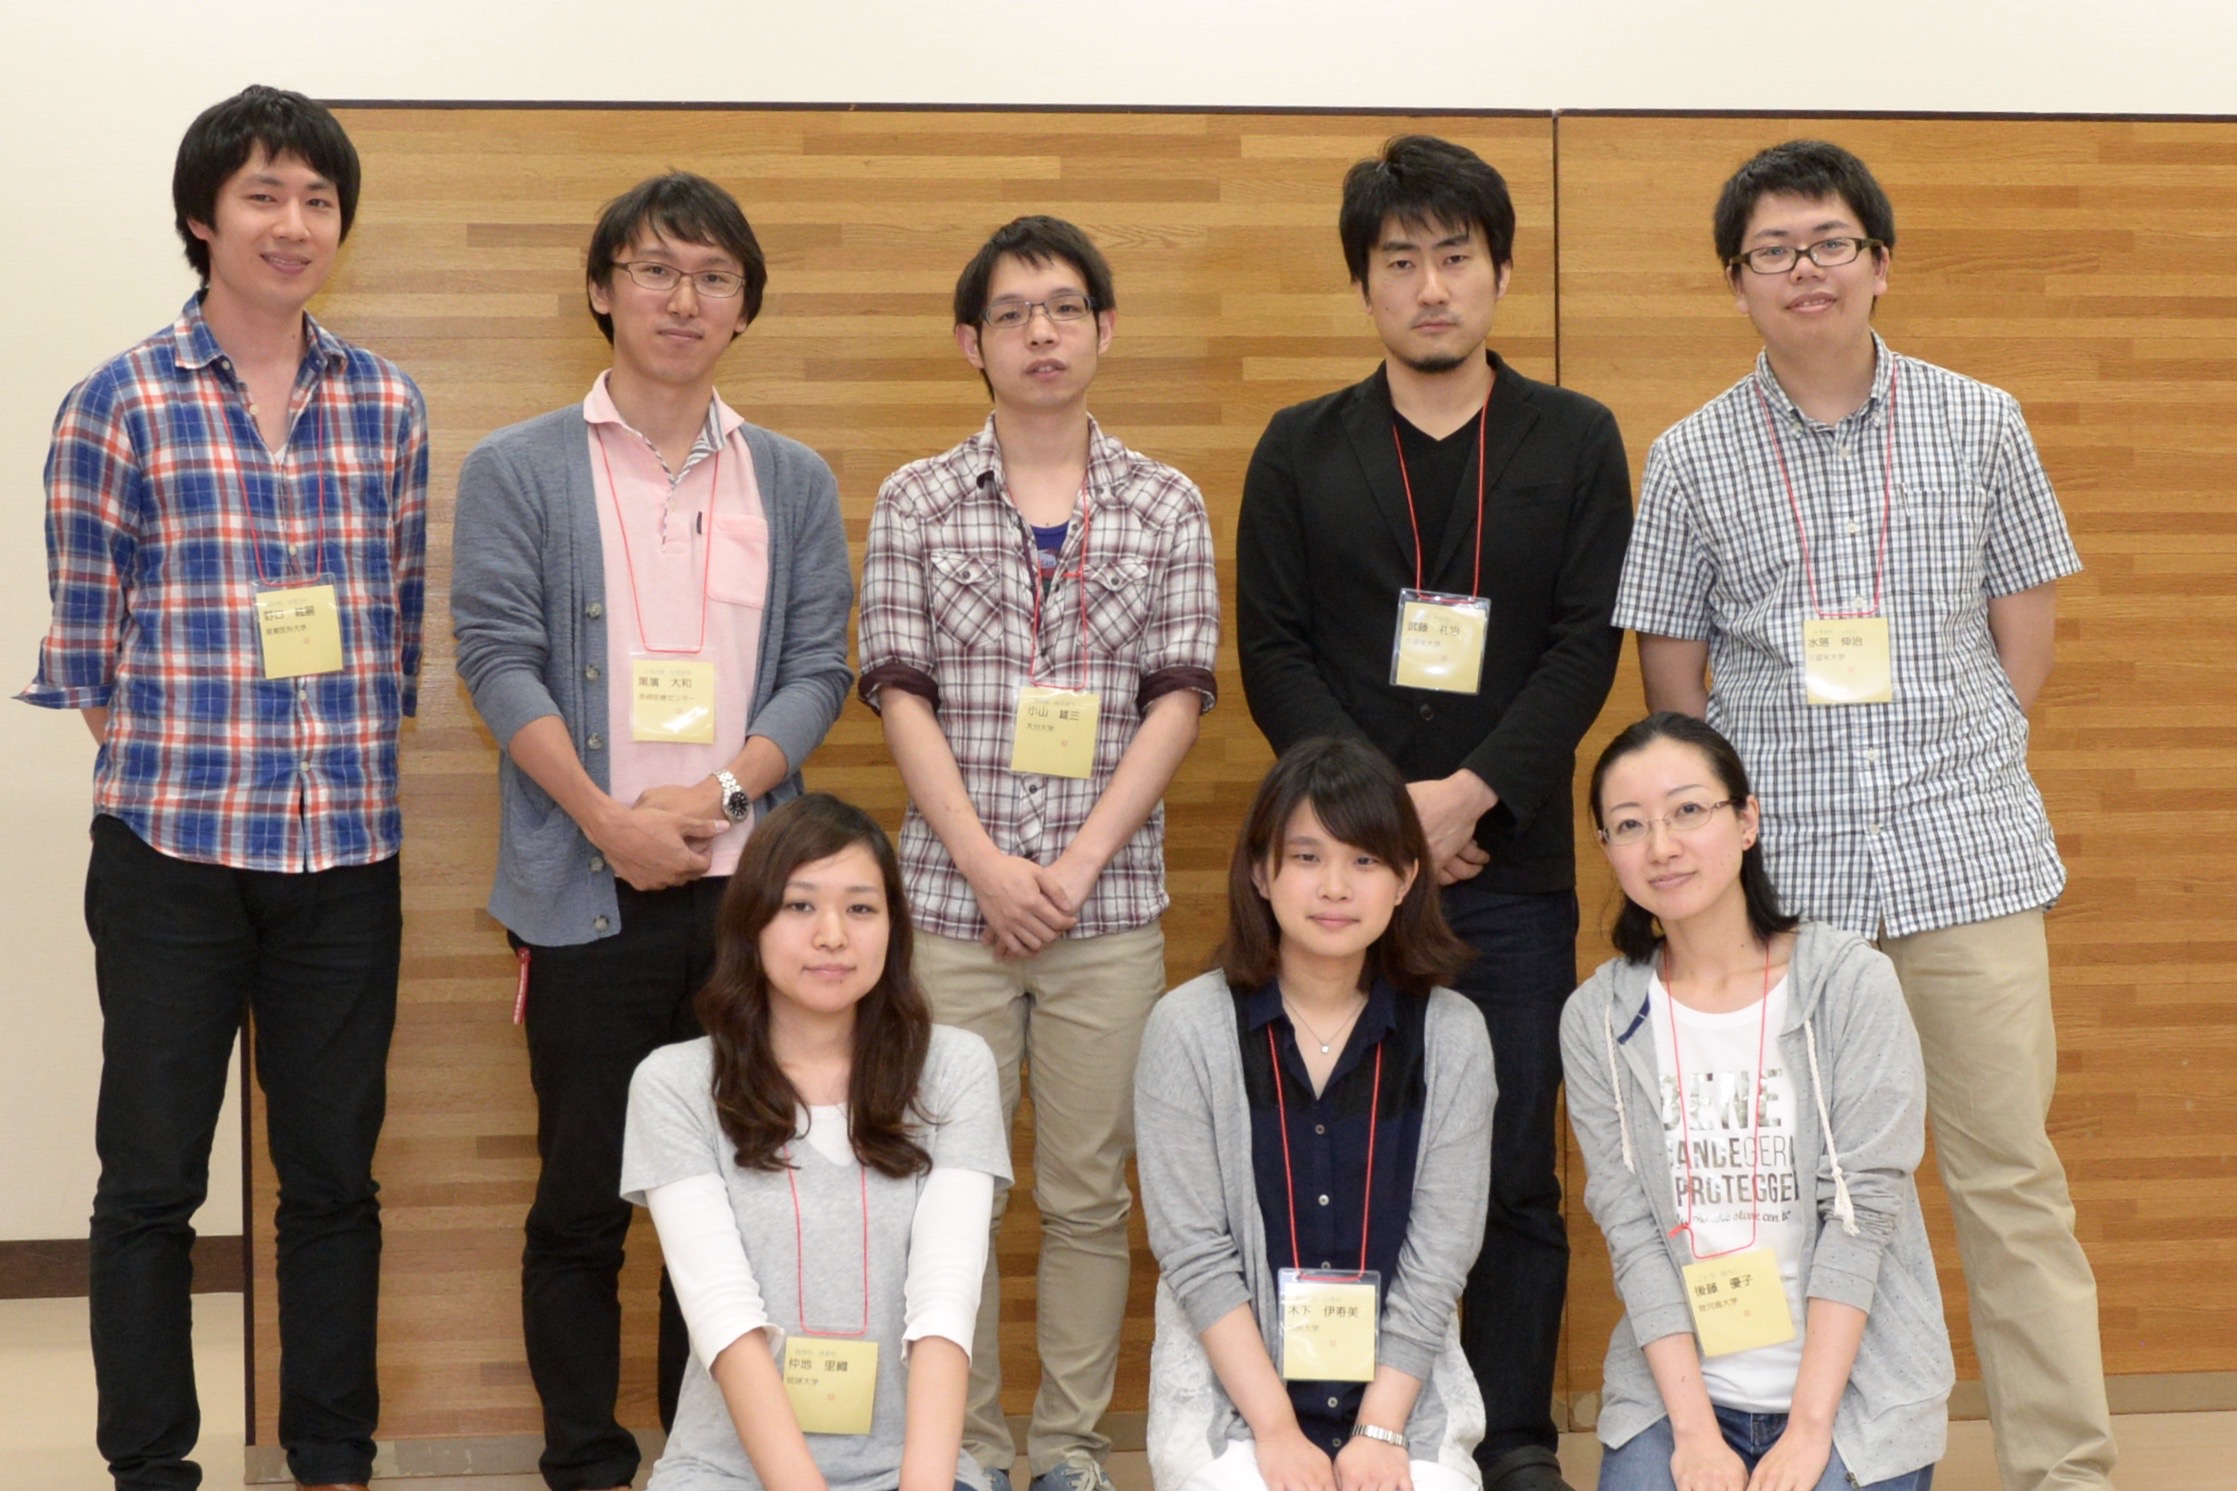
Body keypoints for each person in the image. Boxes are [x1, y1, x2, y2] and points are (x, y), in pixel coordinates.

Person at [1611, 140, 2109, 1491]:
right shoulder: (1691, 455)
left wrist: (1949, 758)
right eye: (1771, 251)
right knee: (1800, 1195)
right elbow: (1673, 683)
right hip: (1792, 888)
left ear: (1878, 261)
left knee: (2009, 1183)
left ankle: (2064, 1470)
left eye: (1829, 241)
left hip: (1966, 860)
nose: (1805, 269)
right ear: (1735, 282)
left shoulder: (1981, 421)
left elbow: (2023, 637)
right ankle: (1823, 1457)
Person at [18, 86, 426, 1491]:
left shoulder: (386, 402)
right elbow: (88, 650)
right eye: (263, 195)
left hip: (346, 853)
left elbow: (394, 618)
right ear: (202, 217)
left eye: (317, 199)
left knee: (333, 1180)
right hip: (173, 856)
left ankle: (331, 1453)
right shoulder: (117, 401)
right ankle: (150, 1466)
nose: (292, 223)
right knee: (151, 1182)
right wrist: (202, 766)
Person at [1235, 133, 1633, 1491]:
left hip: (1506, 866)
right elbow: (1273, 650)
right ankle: (1346, 1426)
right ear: (1364, 284)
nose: (1429, 286)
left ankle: (1511, 1433)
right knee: (1346, 1158)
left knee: (1512, 1162)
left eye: (1454, 257)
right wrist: (1383, 825)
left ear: (1500, 272)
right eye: (1399, 261)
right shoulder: (1301, 447)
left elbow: (1582, 644)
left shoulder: (1572, 438)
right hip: (1339, 881)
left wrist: (1469, 794)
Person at [452, 172, 853, 1491]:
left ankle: (706, 1457)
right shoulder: (517, 466)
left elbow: (816, 669)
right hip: (585, 890)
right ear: (602, 288)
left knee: (732, 1204)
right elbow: (496, 657)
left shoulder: (789, 477)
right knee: (581, 1202)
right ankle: (585, 1460)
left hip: (750, 905)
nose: (683, 298)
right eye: (655, 269)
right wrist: (607, 820)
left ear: (744, 307)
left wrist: (722, 797)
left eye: (712, 276)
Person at [856, 215, 1220, 1491]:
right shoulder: (913, 499)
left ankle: (1065, 1453)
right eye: (1011, 314)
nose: (1040, 333)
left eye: (1064, 308)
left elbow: (1177, 698)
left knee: (1086, 1197)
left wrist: (1067, 872)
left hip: (1104, 915)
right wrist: (989, 869)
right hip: (949, 914)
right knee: (949, 1193)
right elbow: (898, 694)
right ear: (972, 343)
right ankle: (960, 1450)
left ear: (1103, 329)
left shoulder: (1165, 502)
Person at [1562, 713, 1950, 1491]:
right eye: (1630, 824)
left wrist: (1807, 1432)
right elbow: (1631, 1232)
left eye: (1687, 810)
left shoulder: (1848, 983)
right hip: (1681, 1396)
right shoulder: (1597, 1016)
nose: (1661, 845)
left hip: (1850, 1394)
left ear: (1746, 820)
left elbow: (1862, 1214)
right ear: (1606, 848)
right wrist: (1694, 1436)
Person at [620, 792, 1010, 1491]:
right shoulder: (674, 1084)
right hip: (729, 1472)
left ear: (893, 928)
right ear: (751, 922)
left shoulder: (955, 1068)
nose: (832, 935)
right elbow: (723, 1317)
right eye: (800, 905)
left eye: (860, 908)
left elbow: (945, 1301)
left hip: (911, 1467)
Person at [1135, 735, 1495, 1491]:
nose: (1335, 887)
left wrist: (1379, 1430)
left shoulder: (1452, 1034)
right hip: (1235, 1417)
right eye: (1306, 857)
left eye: (1364, 860)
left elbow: (1439, 1260)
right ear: (1260, 870)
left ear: (1406, 878)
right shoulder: (1188, 1028)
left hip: (1404, 1413)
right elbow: (1195, 1253)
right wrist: (1276, 1433)